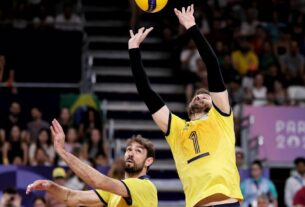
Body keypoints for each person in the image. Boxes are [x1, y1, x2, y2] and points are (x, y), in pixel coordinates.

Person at [128, 4, 243, 207]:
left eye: (205, 96)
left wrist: (192, 28)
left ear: (214, 103)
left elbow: (212, 66)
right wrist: (134, 51)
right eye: (196, 96)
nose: (199, 97)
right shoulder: (177, 129)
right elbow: (147, 93)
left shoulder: (222, 118)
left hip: (228, 202)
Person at [27, 119, 157, 207]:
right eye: (129, 149)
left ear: (148, 161)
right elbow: (72, 197)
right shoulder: (115, 191)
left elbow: (98, 181)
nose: (131, 153)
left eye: (138, 151)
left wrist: (62, 152)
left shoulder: (145, 186)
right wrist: (50, 186)